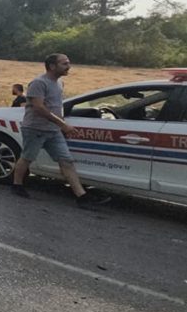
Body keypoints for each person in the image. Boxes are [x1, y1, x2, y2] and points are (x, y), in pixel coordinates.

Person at [10, 54, 111, 209]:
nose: (68, 66)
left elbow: (57, 105)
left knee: (66, 161)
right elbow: (39, 108)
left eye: (68, 63)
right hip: (35, 128)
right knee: (27, 157)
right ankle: (17, 185)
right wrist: (63, 125)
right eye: (64, 64)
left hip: (53, 130)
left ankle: (81, 197)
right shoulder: (39, 83)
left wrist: (61, 124)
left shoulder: (59, 83)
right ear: (52, 66)